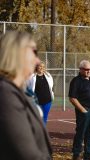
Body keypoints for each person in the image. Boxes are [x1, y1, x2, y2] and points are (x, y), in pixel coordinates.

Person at [0, 31, 52, 159]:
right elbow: (27, 154)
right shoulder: (5, 94)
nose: (38, 60)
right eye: (34, 52)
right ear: (16, 53)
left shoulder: (18, 91)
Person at [69, 60, 90, 160]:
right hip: (84, 111)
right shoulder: (76, 81)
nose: (88, 71)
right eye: (86, 69)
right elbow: (72, 98)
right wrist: (82, 110)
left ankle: (88, 154)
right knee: (80, 133)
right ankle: (76, 154)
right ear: (80, 69)